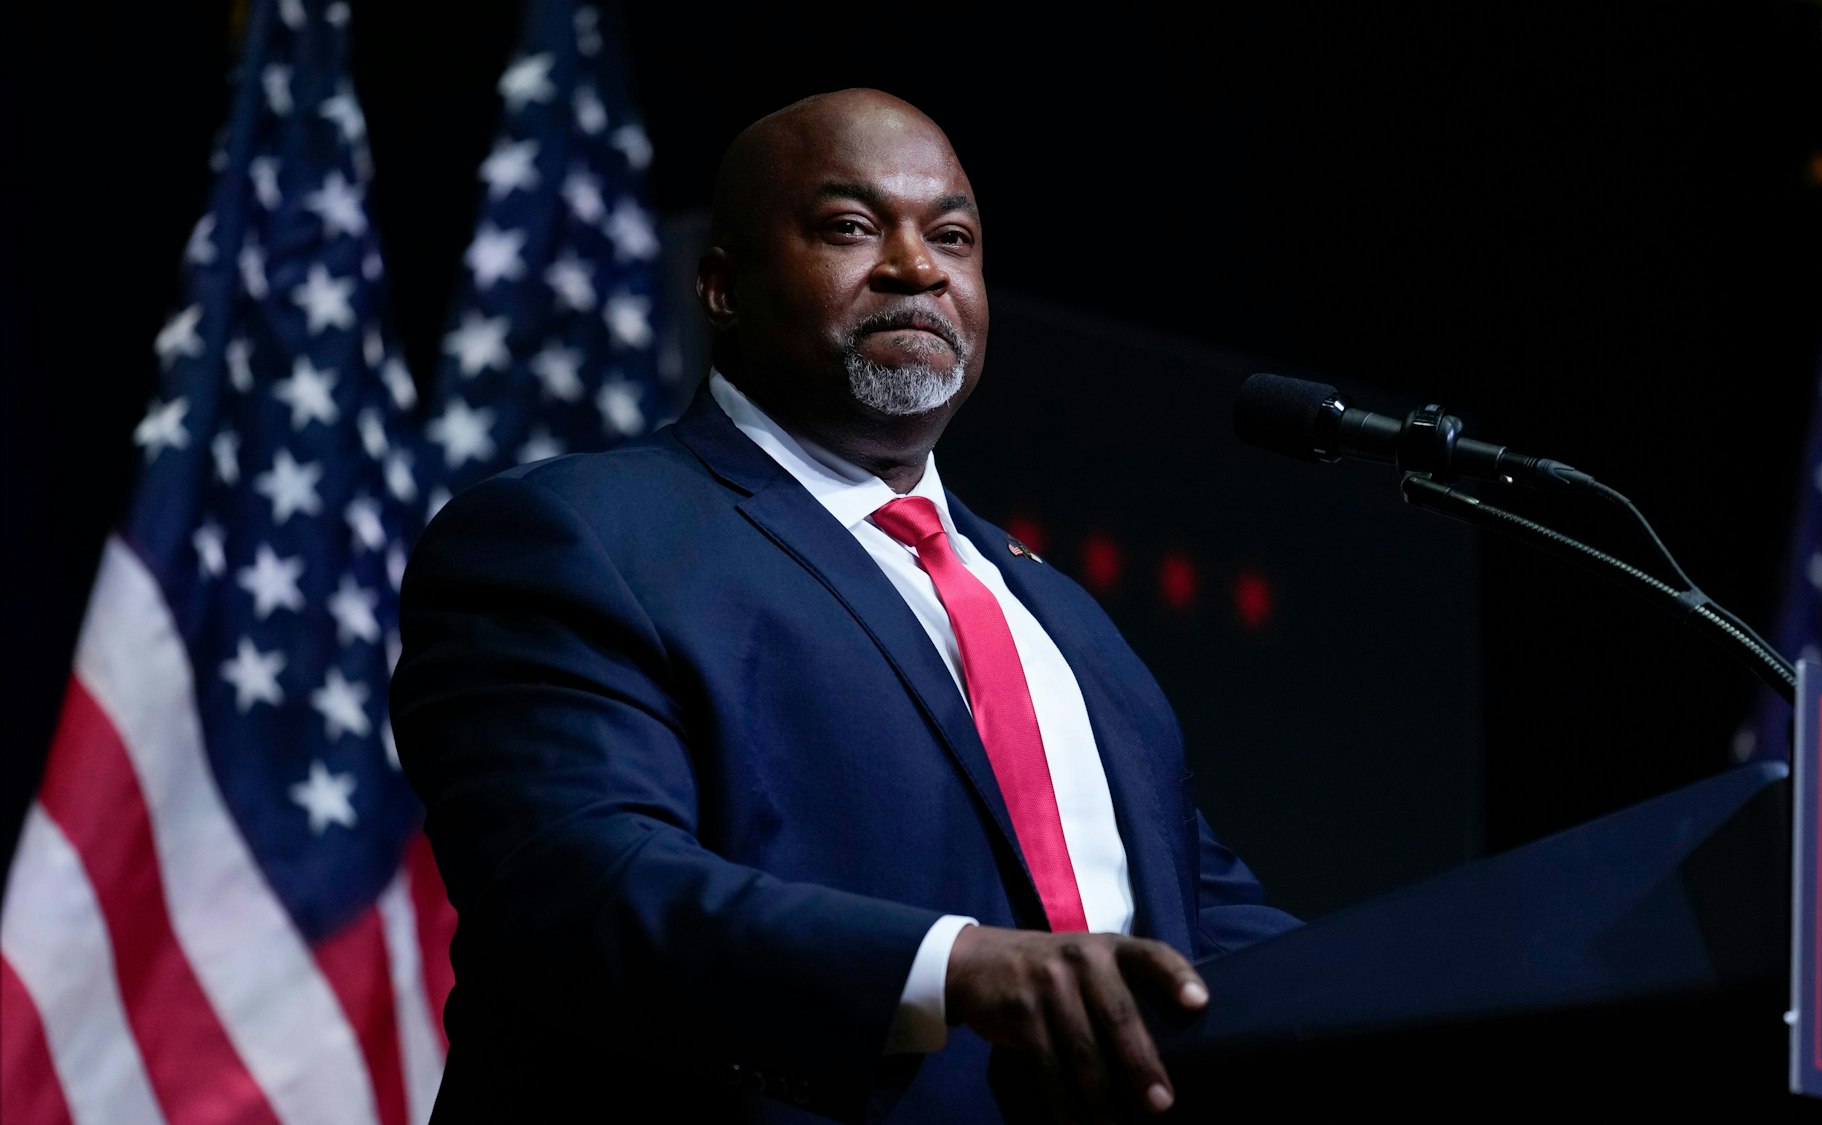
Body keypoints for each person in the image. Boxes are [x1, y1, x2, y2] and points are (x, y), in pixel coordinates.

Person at [390, 88, 1299, 1124]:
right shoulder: (576, 536)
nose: (917, 269)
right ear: (723, 288)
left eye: (951, 236)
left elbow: (1204, 923)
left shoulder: (1054, 615)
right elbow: (581, 889)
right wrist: (947, 968)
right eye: (851, 228)